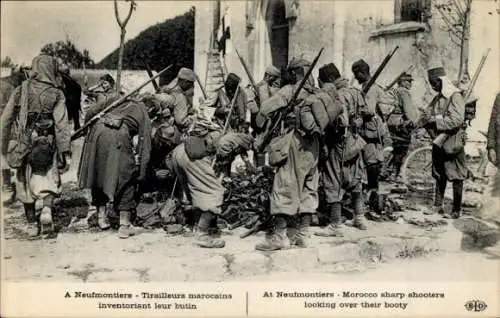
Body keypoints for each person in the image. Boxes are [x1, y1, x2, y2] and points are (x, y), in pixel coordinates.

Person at [1, 54, 72, 237]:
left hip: (24, 142)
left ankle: (32, 223)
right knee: (48, 177)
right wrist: (65, 150)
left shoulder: (21, 90)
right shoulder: (57, 93)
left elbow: (6, 120)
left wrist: (3, 143)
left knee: (23, 181)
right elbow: (62, 125)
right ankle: (47, 210)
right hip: (47, 142)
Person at [253, 57, 321, 251]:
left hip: (295, 141)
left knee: (285, 183)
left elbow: (265, 108)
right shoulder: (316, 93)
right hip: (313, 144)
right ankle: (303, 235)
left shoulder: (290, 90)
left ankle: (280, 237)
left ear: (295, 72)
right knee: (309, 185)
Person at [78, 85, 152, 238]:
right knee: (126, 176)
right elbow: (145, 143)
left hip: (97, 132)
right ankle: (124, 225)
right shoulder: (142, 108)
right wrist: (142, 171)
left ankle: (101, 217)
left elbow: (91, 112)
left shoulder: (115, 99)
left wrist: (88, 133)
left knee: (99, 173)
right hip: (118, 135)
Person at [171, 131, 253, 248]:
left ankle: (196, 223)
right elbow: (219, 157)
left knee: (194, 191)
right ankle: (202, 234)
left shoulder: (230, 137)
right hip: (193, 157)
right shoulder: (227, 143)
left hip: (180, 151)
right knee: (215, 192)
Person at [314, 63, 368, 236]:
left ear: (330, 79)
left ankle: (336, 224)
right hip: (355, 139)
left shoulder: (336, 94)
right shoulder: (355, 92)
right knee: (354, 177)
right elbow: (368, 112)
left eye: (322, 81)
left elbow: (340, 121)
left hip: (338, 141)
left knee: (333, 178)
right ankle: (360, 217)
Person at [422, 61, 468, 219]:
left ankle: (456, 210)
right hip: (439, 141)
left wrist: (435, 121)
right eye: (431, 83)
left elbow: (456, 120)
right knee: (439, 174)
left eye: (434, 83)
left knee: (456, 176)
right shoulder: (437, 98)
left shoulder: (455, 96)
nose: (433, 86)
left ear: (441, 81)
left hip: (453, 142)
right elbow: (427, 113)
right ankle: (438, 206)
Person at [352, 60, 393, 216]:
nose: (356, 78)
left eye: (357, 75)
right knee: (368, 165)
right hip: (368, 132)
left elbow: (368, 110)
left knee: (372, 165)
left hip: (371, 133)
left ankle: (373, 196)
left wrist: (357, 108)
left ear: (362, 73)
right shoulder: (366, 87)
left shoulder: (371, 89)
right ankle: (370, 195)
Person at [386, 72, 418, 180]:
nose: (410, 84)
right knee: (401, 150)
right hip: (401, 124)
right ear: (403, 82)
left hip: (392, 123)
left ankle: (389, 172)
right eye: (409, 81)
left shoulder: (394, 91)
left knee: (396, 149)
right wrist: (414, 122)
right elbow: (409, 112)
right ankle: (395, 174)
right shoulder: (404, 92)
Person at [246, 65, 281, 167]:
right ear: (269, 76)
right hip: (260, 122)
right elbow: (252, 104)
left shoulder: (270, 88)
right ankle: (259, 170)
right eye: (273, 78)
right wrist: (257, 112)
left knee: (266, 146)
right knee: (259, 146)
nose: (275, 81)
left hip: (268, 122)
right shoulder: (259, 87)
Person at [58, 62, 83, 131]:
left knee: (69, 114)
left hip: (70, 99)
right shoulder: (73, 81)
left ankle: (73, 127)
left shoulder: (64, 78)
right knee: (76, 113)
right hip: (75, 99)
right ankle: (77, 127)